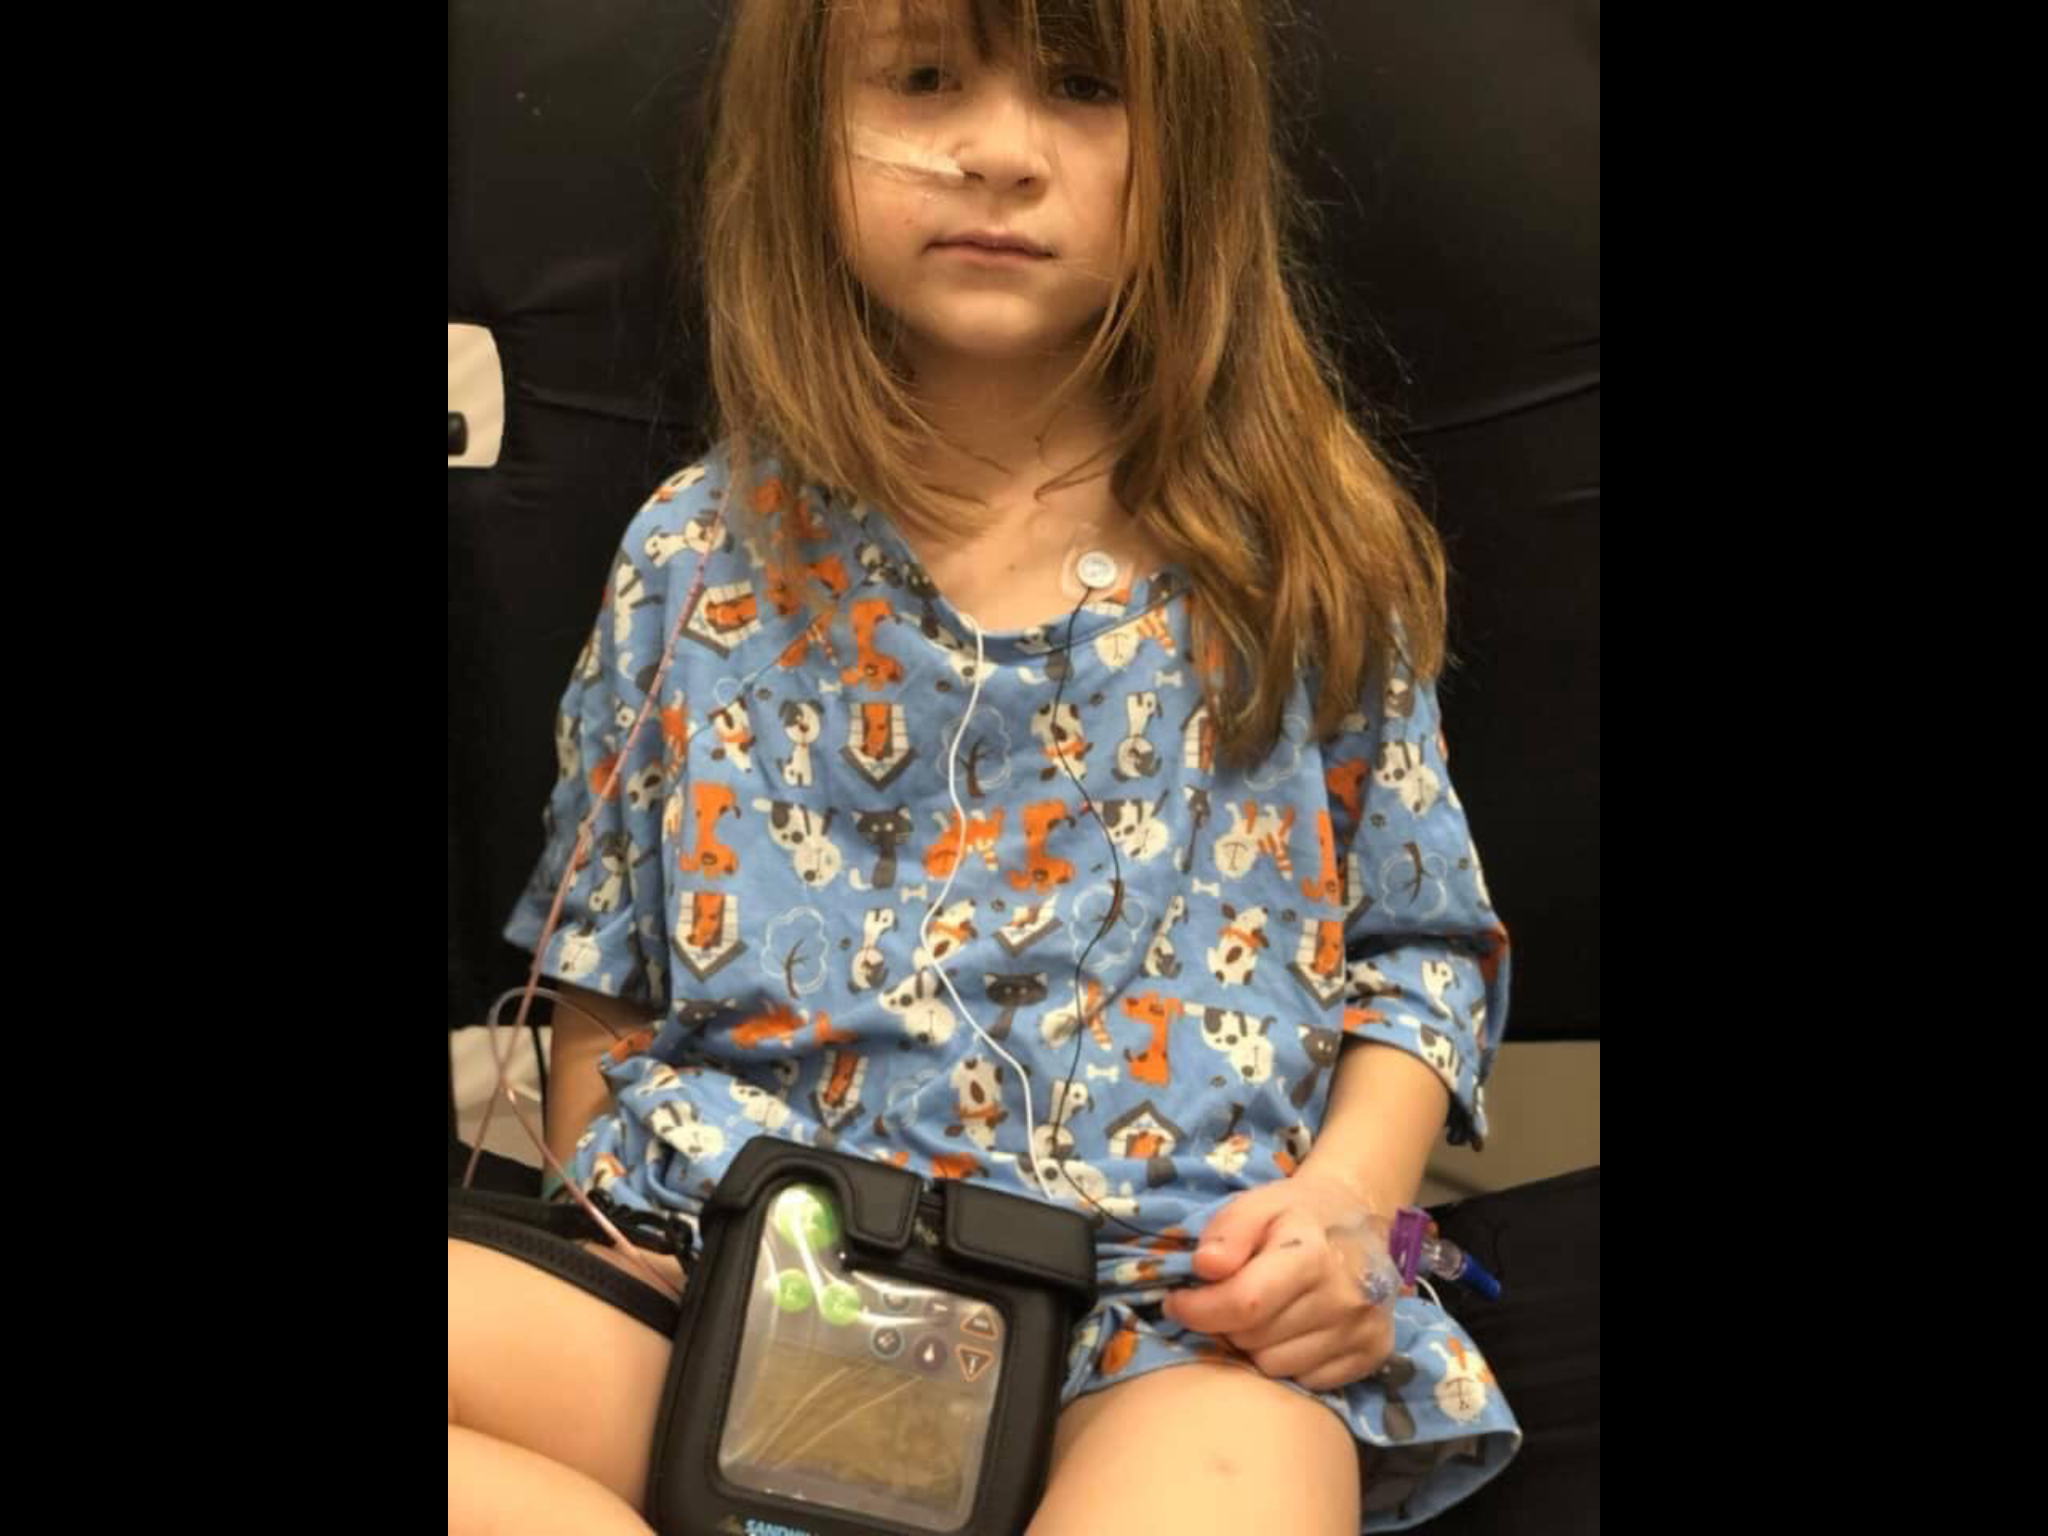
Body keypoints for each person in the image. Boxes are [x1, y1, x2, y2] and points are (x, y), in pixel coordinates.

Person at [449, 3, 1519, 1531]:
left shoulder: (1303, 562)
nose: (1000, 151)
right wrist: (620, 1241)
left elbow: (1421, 957)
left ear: (1195, 150)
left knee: (1242, 1477)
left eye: (1083, 87)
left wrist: (1354, 1215)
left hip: (1160, 1324)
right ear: (805, 134)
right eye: (923, 78)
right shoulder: (694, 558)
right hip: (742, 1289)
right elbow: (601, 983)